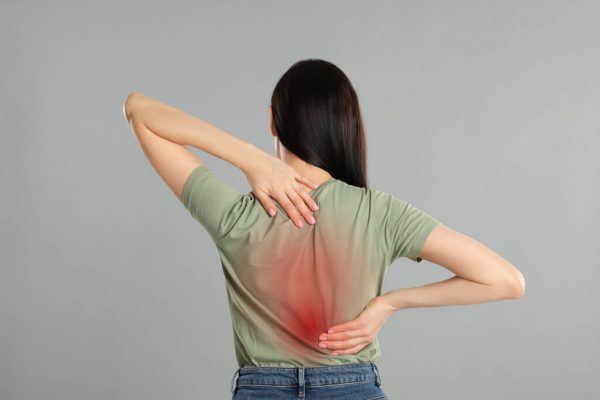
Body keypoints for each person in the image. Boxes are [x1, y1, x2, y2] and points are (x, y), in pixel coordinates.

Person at [123, 58, 525, 400]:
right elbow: (506, 281)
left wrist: (247, 158)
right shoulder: (378, 213)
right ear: (346, 125)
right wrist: (391, 303)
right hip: (353, 387)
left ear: (272, 120)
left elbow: (138, 109)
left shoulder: (234, 213)